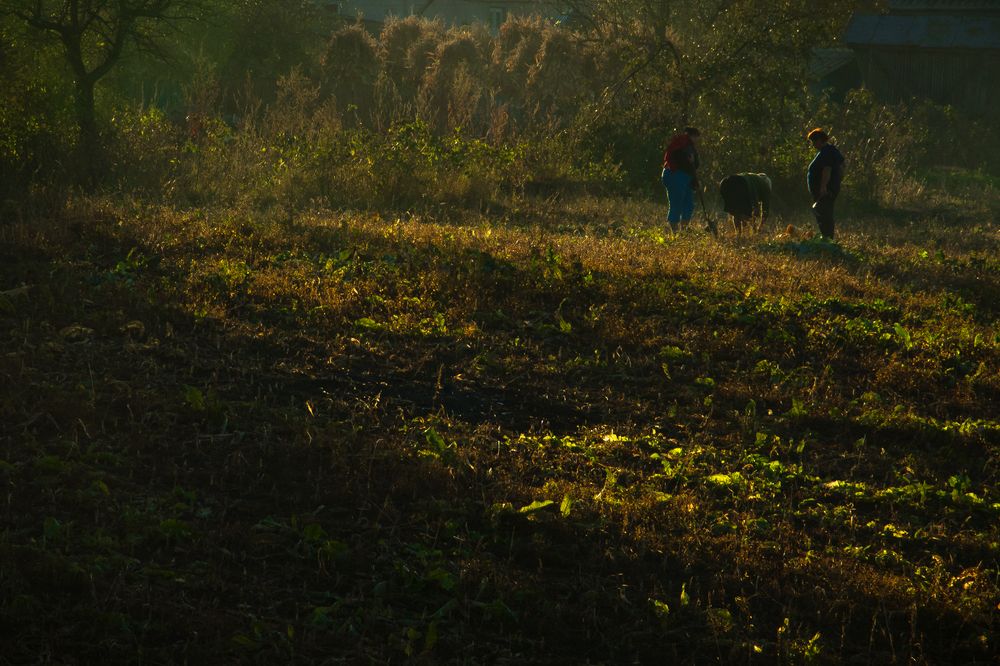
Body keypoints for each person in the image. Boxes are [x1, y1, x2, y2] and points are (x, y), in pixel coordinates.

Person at [806, 128, 845, 240]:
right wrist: (837, 182)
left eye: (813, 142)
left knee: (823, 214)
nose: (813, 145)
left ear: (819, 140)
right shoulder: (832, 151)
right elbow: (842, 167)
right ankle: (827, 238)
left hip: (825, 191)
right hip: (831, 189)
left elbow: (826, 169)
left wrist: (823, 187)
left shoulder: (826, 152)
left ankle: (827, 239)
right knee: (824, 212)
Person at [662, 127, 701, 233]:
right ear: (692, 136)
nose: (697, 140)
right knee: (677, 203)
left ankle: (683, 231)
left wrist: (693, 180)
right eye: (696, 137)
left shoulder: (687, 145)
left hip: (681, 177)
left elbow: (693, 165)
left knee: (688, 204)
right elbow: (688, 164)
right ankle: (674, 231)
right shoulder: (684, 145)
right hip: (675, 176)